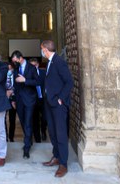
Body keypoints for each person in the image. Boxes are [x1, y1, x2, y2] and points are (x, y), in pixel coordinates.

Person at [41, 40, 73, 178]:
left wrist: (60, 98)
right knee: (52, 132)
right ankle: (56, 157)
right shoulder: (50, 62)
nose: (41, 51)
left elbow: (69, 82)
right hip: (49, 103)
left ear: (46, 49)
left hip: (58, 105)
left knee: (60, 134)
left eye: (42, 49)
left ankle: (63, 164)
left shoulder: (59, 62)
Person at [11, 50, 40, 159]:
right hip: (19, 100)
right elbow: (14, 84)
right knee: (23, 122)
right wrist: (13, 99)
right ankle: (29, 139)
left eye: (15, 61)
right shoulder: (16, 68)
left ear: (20, 58)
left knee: (28, 122)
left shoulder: (31, 67)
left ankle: (26, 148)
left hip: (29, 100)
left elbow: (37, 82)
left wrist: (25, 80)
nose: (14, 63)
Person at [30, 57, 47, 142]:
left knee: (45, 118)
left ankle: (43, 131)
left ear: (38, 65)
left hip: (43, 99)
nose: (34, 67)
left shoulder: (43, 73)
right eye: (32, 66)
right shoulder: (28, 75)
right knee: (35, 119)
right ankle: (37, 139)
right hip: (34, 100)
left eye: (35, 65)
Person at [5, 62, 16, 142]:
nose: (9, 70)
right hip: (5, 100)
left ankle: (11, 137)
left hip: (14, 100)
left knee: (12, 119)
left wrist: (12, 92)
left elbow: (19, 88)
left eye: (10, 68)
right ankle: (5, 137)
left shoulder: (16, 76)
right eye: (7, 69)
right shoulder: (3, 76)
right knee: (3, 119)